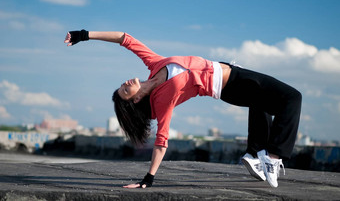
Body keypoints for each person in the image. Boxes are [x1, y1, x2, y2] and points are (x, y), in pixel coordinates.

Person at [64, 29, 302, 188]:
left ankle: (255, 153)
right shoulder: (161, 100)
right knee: (292, 98)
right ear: (135, 101)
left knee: (262, 103)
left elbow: (125, 39)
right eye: (125, 91)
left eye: (123, 85)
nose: (126, 84)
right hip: (229, 83)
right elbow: (161, 140)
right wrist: (149, 179)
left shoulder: (155, 64)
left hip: (233, 73)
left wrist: (84, 35)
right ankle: (272, 156)